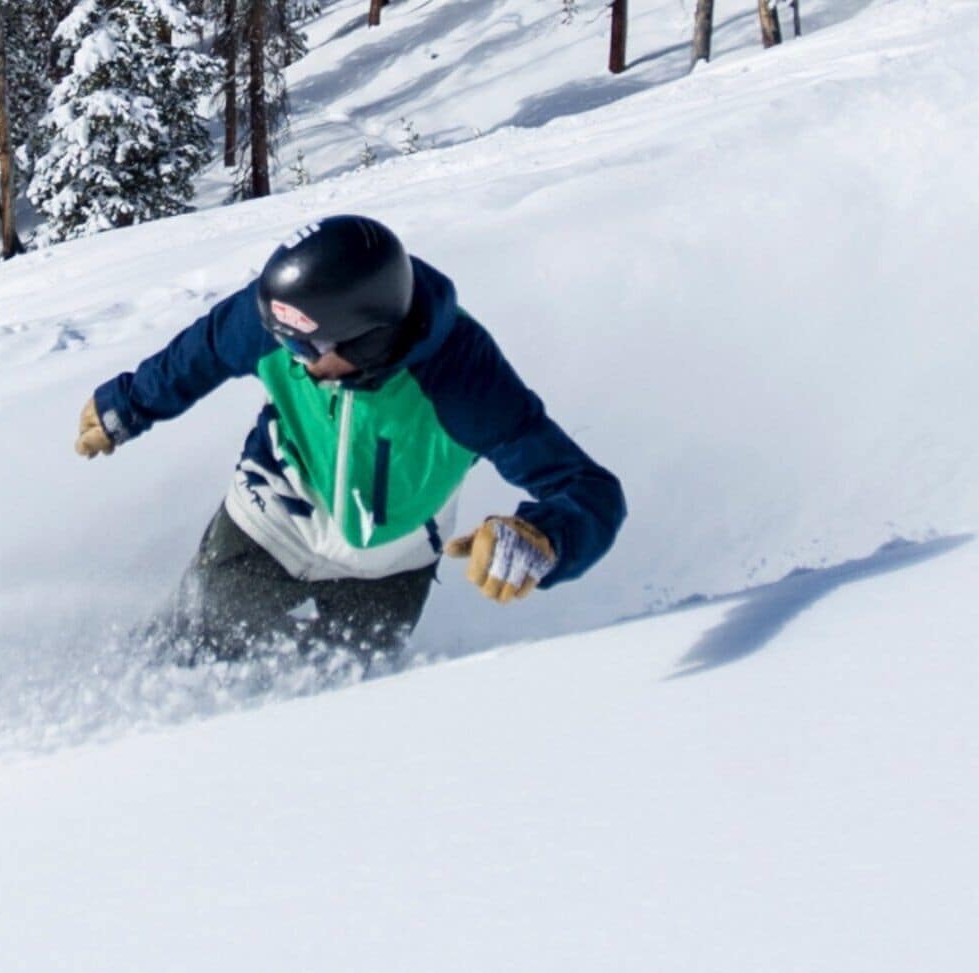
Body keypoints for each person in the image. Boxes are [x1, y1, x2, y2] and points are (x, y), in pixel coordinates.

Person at [75, 214, 623, 667]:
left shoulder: (463, 382)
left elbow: (587, 489)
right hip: (268, 525)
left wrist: (545, 538)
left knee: (334, 697)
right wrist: (127, 405)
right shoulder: (281, 320)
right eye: (285, 341)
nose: (292, 357)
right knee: (190, 653)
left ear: (369, 342)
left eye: (310, 349)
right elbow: (206, 349)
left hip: (390, 567)